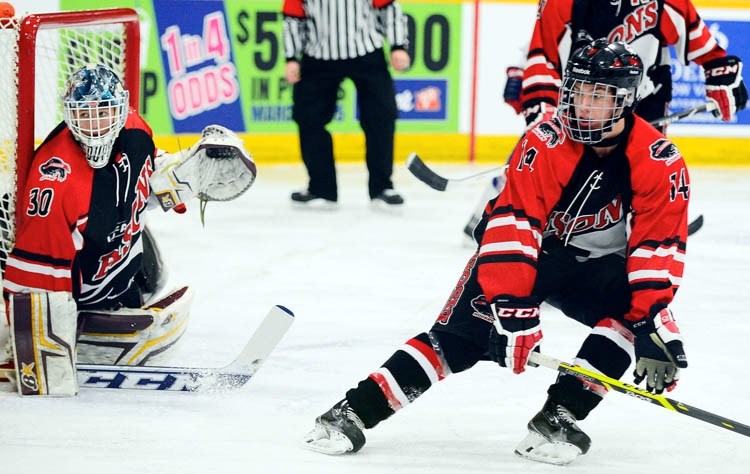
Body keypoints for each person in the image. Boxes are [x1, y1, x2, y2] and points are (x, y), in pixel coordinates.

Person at [303, 39, 690, 465]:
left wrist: (652, 319)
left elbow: (658, 245)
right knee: (456, 341)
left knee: (635, 322)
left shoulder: (660, 159)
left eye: (598, 96)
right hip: (530, 255)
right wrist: (512, 308)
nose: (584, 105)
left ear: (625, 101)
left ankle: (559, 415)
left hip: (596, 265)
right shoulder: (545, 141)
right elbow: (513, 227)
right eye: (579, 92)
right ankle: (352, 412)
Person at [0, 64, 256, 396]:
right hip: (76, 283)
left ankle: (116, 296)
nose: (95, 125)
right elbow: (38, 276)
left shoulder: (135, 130)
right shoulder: (55, 180)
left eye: (104, 111)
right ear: (68, 114)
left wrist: (184, 174)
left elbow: (144, 181)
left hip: (116, 261)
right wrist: (42, 354)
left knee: (152, 268)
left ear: (122, 107)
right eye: (84, 113)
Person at [461, 0, 747, 241]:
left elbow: (701, 41)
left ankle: (642, 236)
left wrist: (720, 71)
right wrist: (539, 102)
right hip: (584, 98)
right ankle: (508, 216)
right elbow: (543, 50)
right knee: (550, 163)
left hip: (644, 97)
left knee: (641, 172)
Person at [282, 0, 411, 210]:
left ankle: (382, 188)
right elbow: (293, 17)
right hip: (318, 54)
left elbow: (389, 8)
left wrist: (398, 45)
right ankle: (321, 188)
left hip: (366, 50)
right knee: (308, 117)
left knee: (381, 116)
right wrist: (291, 57)